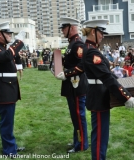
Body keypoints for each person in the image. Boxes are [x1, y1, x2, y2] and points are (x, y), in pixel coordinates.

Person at [81, 19, 134, 160]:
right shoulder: (91, 52)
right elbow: (106, 77)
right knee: (100, 136)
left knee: (101, 134)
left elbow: (107, 74)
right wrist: (126, 96)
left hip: (99, 94)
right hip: (98, 96)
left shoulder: (91, 49)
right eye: (101, 32)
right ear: (93, 32)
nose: (102, 36)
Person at [0, 21, 25, 157]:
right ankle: (9, 150)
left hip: (8, 87)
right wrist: (18, 42)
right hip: (3, 89)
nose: (10, 35)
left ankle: (11, 145)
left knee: (9, 120)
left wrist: (19, 65)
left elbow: (12, 56)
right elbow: (7, 56)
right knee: (6, 122)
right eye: (7, 33)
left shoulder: (2, 47)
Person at [55, 17, 88, 153]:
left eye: (64, 28)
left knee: (78, 116)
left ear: (72, 27)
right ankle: (78, 141)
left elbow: (82, 65)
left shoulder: (78, 44)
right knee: (75, 117)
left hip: (77, 85)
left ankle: (81, 144)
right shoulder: (71, 43)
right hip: (72, 85)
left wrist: (66, 73)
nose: (62, 31)